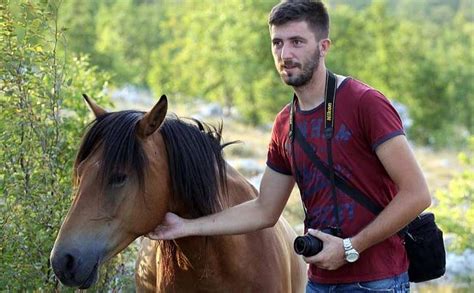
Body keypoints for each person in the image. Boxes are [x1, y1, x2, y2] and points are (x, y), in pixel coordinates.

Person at [148, 1, 431, 291]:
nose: (285, 54)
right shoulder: (285, 123)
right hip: (319, 282)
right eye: (277, 43)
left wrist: (350, 248)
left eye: (297, 42)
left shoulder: (364, 103)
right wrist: (186, 226)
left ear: (324, 46)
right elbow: (264, 210)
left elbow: (417, 194)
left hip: (376, 281)